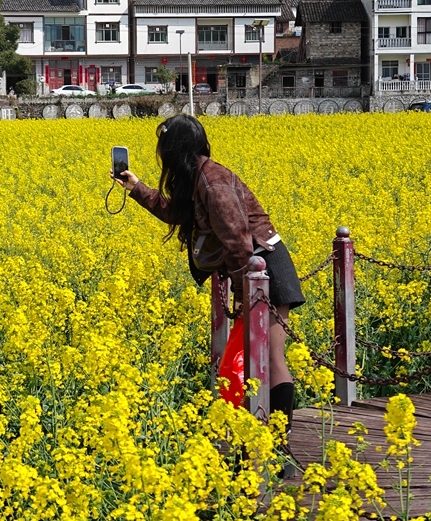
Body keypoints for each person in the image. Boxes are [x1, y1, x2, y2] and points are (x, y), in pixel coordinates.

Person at [112, 114, 304, 474]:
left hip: (264, 272)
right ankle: (256, 444)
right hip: (253, 274)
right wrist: (135, 186)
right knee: (246, 367)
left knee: (267, 360)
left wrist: (248, 295)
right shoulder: (198, 177)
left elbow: (237, 242)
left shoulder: (214, 183)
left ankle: (279, 450)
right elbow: (178, 214)